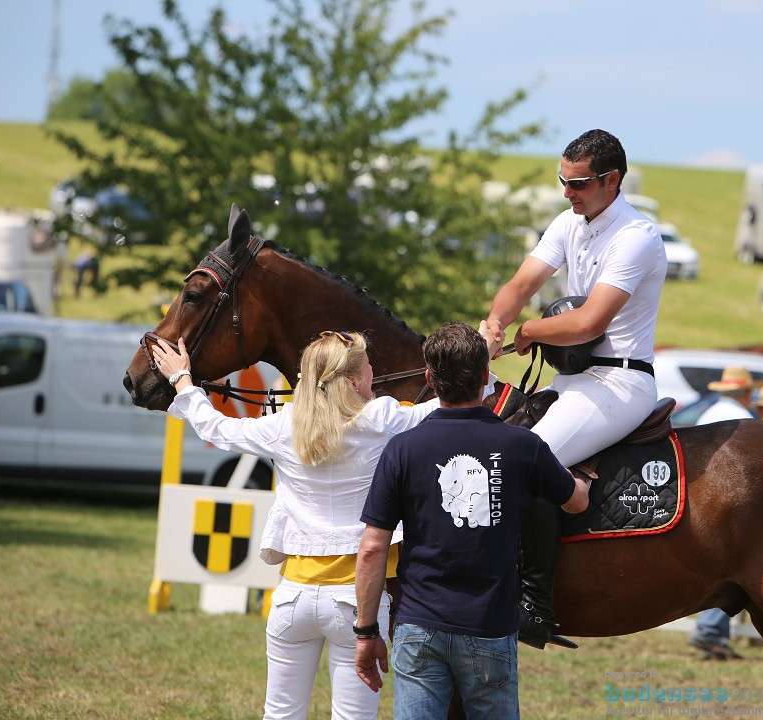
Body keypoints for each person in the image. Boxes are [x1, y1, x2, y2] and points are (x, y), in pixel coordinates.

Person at [151, 330, 445, 720]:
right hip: (357, 603)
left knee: (280, 715)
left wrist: (182, 380)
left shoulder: (283, 424)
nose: (375, 372)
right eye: (370, 366)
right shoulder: (381, 418)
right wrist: (483, 363)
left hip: (292, 598)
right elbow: (447, 408)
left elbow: (216, 429)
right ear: (355, 380)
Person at [480, 129, 666, 645]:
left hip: (619, 381)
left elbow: (589, 323)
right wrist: (495, 321)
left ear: (613, 179)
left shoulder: (637, 236)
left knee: (527, 457)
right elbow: (520, 285)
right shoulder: (568, 222)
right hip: (574, 379)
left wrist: (528, 332)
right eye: (561, 180)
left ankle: (536, 605)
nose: (567, 192)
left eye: (578, 183)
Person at [353, 322, 589, 719]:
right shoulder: (523, 445)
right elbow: (575, 503)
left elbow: (373, 547)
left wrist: (365, 632)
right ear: (485, 377)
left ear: (430, 378)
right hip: (490, 629)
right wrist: (580, 479)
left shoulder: (401, 449)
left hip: (418, 626)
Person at [688, 365, 758, 660]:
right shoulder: (745, 419)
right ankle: (710, 631)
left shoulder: (709, 414)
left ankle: (710, 632)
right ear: (746, 392)